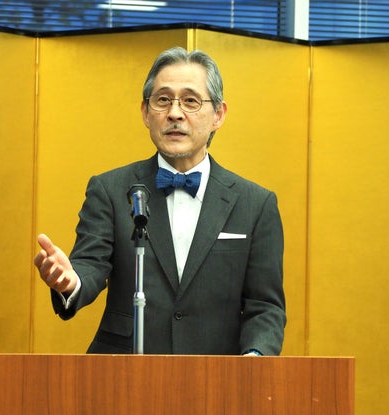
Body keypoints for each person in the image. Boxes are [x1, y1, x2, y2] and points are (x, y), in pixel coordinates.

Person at [34, 46, 286, 356]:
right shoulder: (110, 189)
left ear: (218, 115)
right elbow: (89, 265)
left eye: (191, 101)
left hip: (217, 373)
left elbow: (265, 306)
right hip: (124, 368)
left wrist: (254, 359)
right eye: (163, 100)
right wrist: (71, 281)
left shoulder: (255, 205)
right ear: (145, 112)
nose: (175, 113)